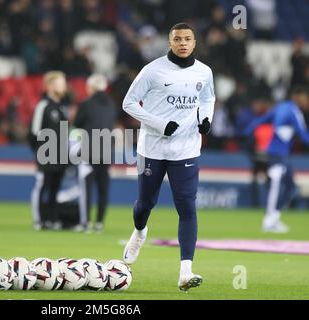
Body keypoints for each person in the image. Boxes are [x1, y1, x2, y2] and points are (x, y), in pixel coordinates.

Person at [121, 23, 215, 292]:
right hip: (152, 148)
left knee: (186, 207)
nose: (182, 43)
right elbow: (128, 103)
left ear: (194, 43)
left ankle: (186, 271)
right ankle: (139, 232)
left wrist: (206, 119)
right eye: (177, 39)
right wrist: (160, 124)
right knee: (145, 204)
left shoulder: (204, 72)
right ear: (169, 42)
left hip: (186, 149)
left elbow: (208, 98)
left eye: (187, 39)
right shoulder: (153, 70)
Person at [243, 86, 309, 233]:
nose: (307, 102)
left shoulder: (281, 107)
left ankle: (274, 218)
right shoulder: (293, 111)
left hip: (280, 154)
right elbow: (302, 134)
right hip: (277, 154)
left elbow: (261, 120)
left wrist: (246, 131)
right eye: (305, 99)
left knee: (290, 186)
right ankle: (268, 220)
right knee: (276, 187)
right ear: (299, 97)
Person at [74, 74, 117, 233]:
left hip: (89, 150)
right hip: (106, 150)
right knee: (103, 189)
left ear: (91, 87)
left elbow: (77, 123)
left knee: (86, 188)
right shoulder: (111, 104)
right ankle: (99, 223)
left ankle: (85, 222)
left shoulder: (86, 104)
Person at [29, 71, 69, 231]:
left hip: (60, 156)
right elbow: (34, 132)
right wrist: (40, 153)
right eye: (61, 83)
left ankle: (52, 220)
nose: (64, 87)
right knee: (42, 187)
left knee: (54, 189)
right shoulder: (43, 106)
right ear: (51, 86)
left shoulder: (61, 108)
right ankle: (38, 220)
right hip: (46, 155)